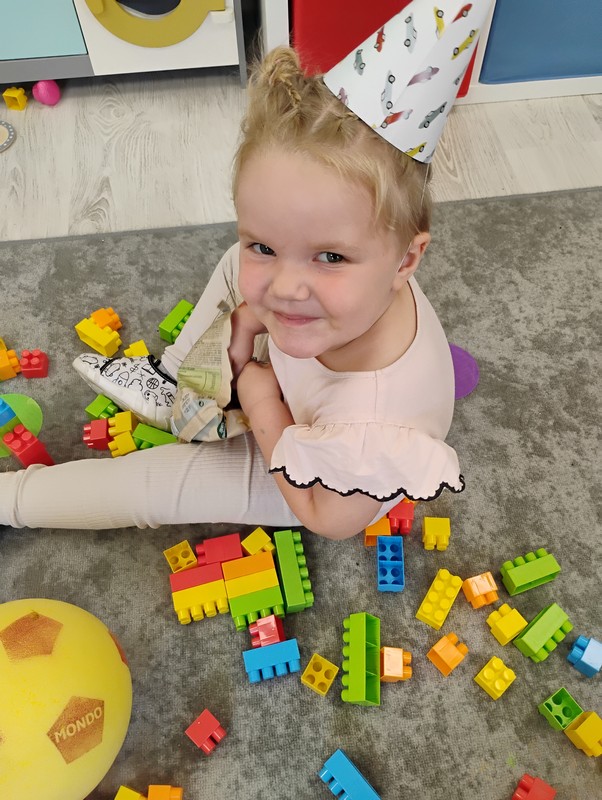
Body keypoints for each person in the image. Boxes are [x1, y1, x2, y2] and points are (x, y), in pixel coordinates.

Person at [0, 46, 464, 539]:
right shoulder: (354, 282)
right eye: (263, 245)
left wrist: (262, 403)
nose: (284, 288)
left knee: (151, 488)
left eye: (331, 257)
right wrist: (245, 320)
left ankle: (11, 500)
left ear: (405, 261)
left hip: (313, 474)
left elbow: (328, 520)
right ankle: (172, 376)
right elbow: (273, 279)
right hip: (305, 376)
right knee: (235, 263)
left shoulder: (370, 427)